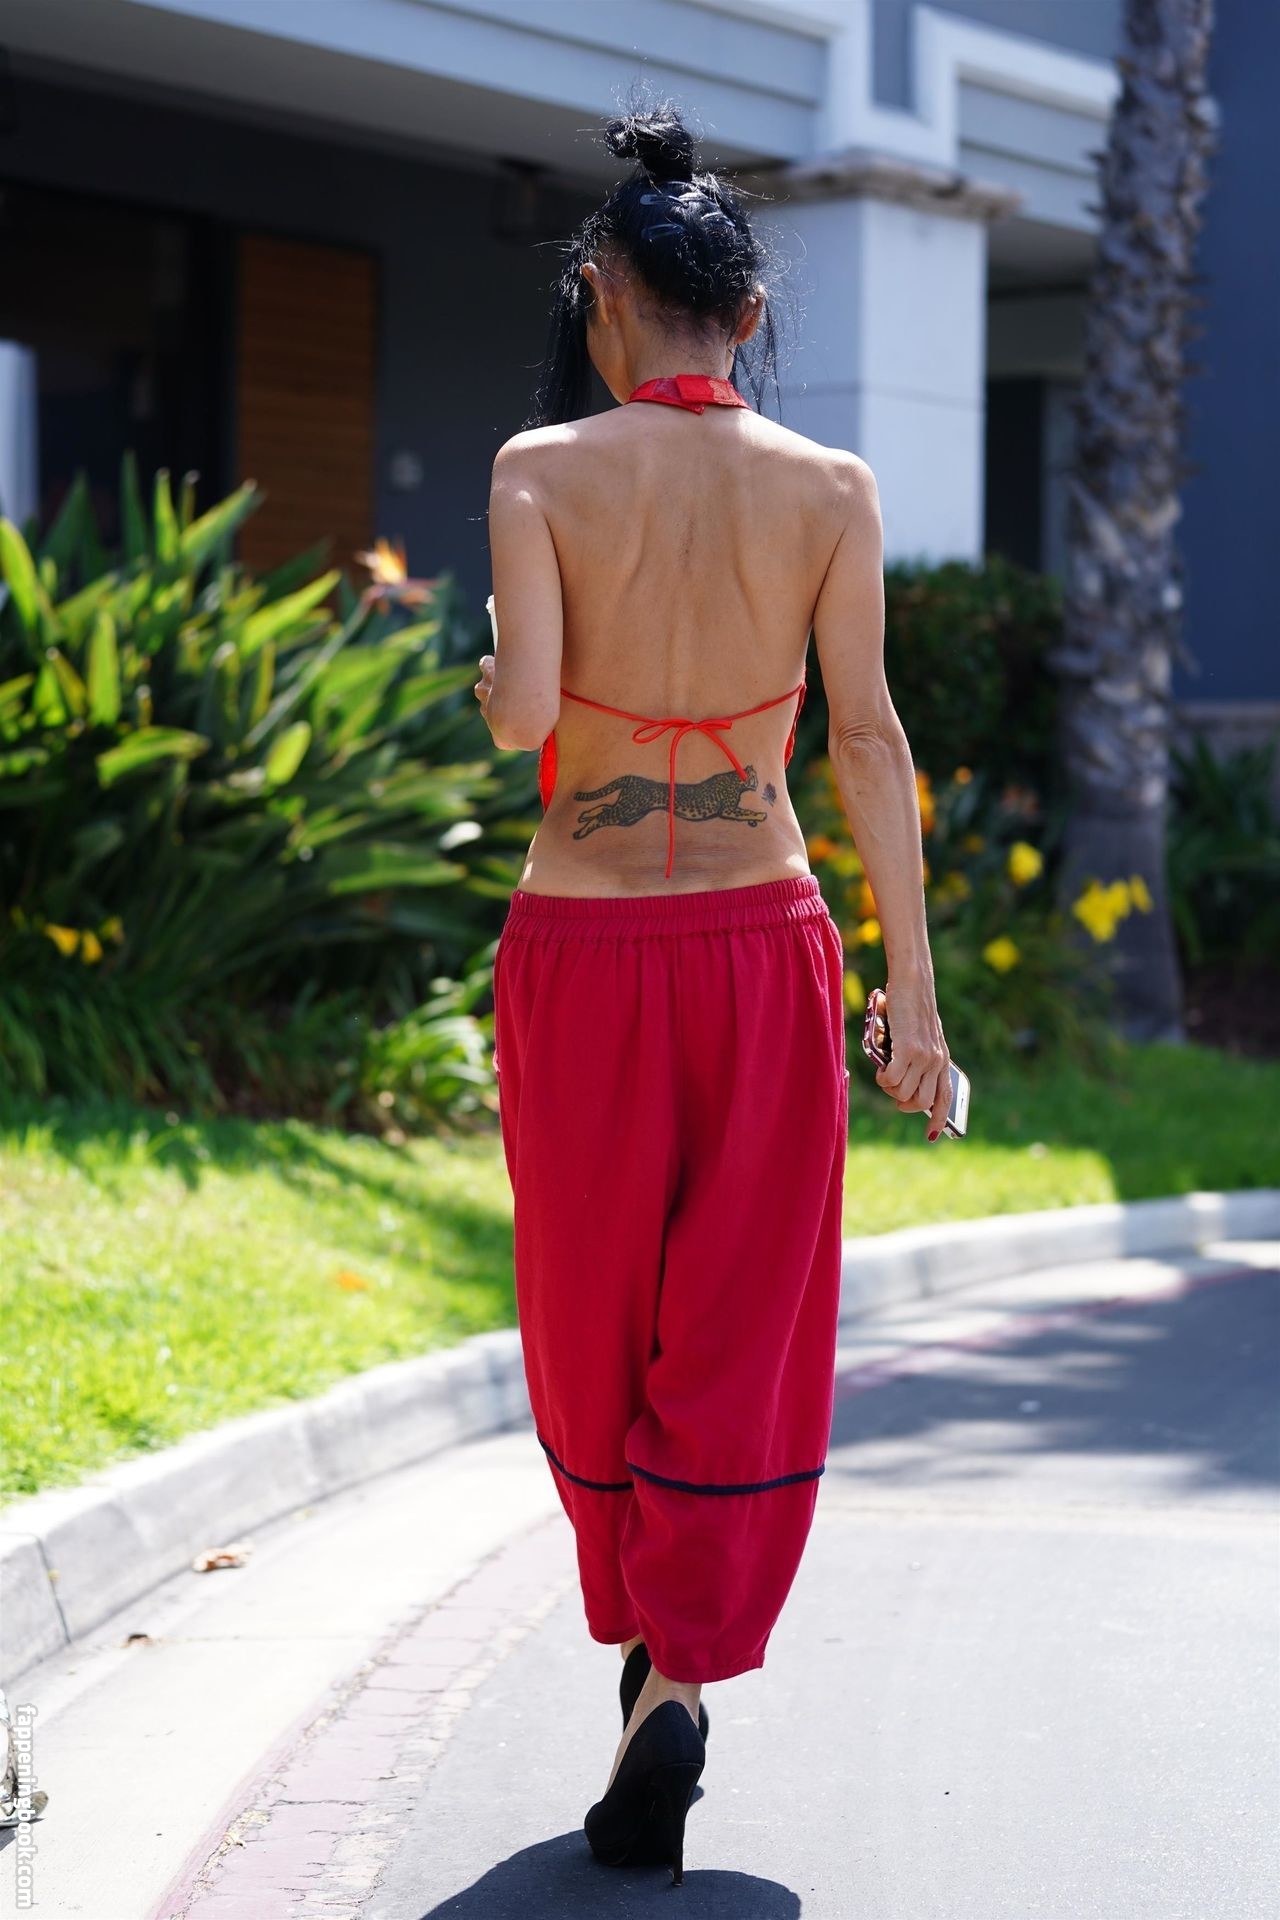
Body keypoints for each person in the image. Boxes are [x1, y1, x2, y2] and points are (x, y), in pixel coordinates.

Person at [475, 99, 951, 1886]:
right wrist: (916, 1006)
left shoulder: (540, 468)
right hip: (763, 943)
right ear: (748, 315)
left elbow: (526, 723)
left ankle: (645, 1652)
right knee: (742, 1314)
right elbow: (870, 743)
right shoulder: (833, 490)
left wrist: (494, 685)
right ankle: (676, 1676)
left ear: (604, 299)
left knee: (594, 1309)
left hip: (583, 951)